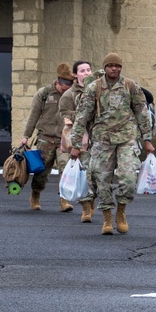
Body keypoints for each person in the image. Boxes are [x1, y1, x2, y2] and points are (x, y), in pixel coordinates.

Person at [69, 53, 154, 235]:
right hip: (102, 141)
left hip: (126, 139)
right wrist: (76, 145)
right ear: (105, 67)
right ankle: (107, 216)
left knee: (129, 179)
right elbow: (82, 117)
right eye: (110, 65)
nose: (114, 68)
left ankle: (121, 211)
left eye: (117, 66)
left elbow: (142, 113)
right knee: (101, 181)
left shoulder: (130, 86)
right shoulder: (94, 88)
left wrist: (147, 140)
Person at [21, 63, 75, 212]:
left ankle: (64, 200)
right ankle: (35, 195)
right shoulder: (44, 93)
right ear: (58, 82)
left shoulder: (72, 95)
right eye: (64, 88)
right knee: (41, 172)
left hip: (65, 139)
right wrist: (26, 136)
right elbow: (33, 115)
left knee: (66, 169)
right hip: (45, 138)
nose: (66, 91)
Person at [59, 60, 95, 222]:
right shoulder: (69, 95)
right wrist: (84, 114)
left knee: (97, 175)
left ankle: (92, 200)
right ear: (75, 75)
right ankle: (86, 207)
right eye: (82, 71)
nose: (86, 73)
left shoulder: (98, 89)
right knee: (84, 174)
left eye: (88, 70)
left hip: (100, 138)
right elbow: (64, 112)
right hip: (81, 138)